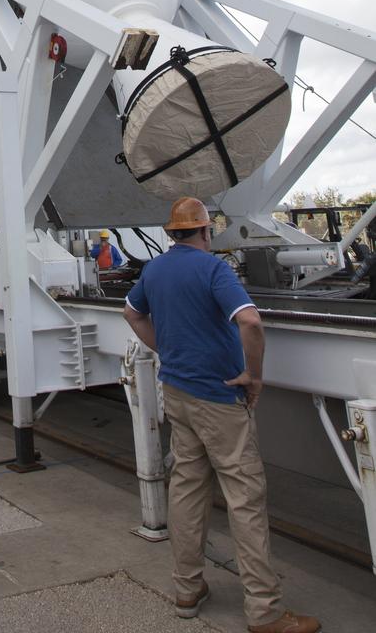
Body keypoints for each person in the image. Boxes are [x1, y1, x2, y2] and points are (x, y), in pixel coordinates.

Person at [123, 198, 319, 633]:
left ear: (172, 232)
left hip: (177, 392)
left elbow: (131, 313)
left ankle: (187, 589)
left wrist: (167, 350)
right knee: (244, 499)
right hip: (218, 398)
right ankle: (265, 612)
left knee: (188, 490)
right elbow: (250, 322)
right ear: (206, 232)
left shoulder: (154, 270)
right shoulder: (214, 270)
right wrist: (254, 375)